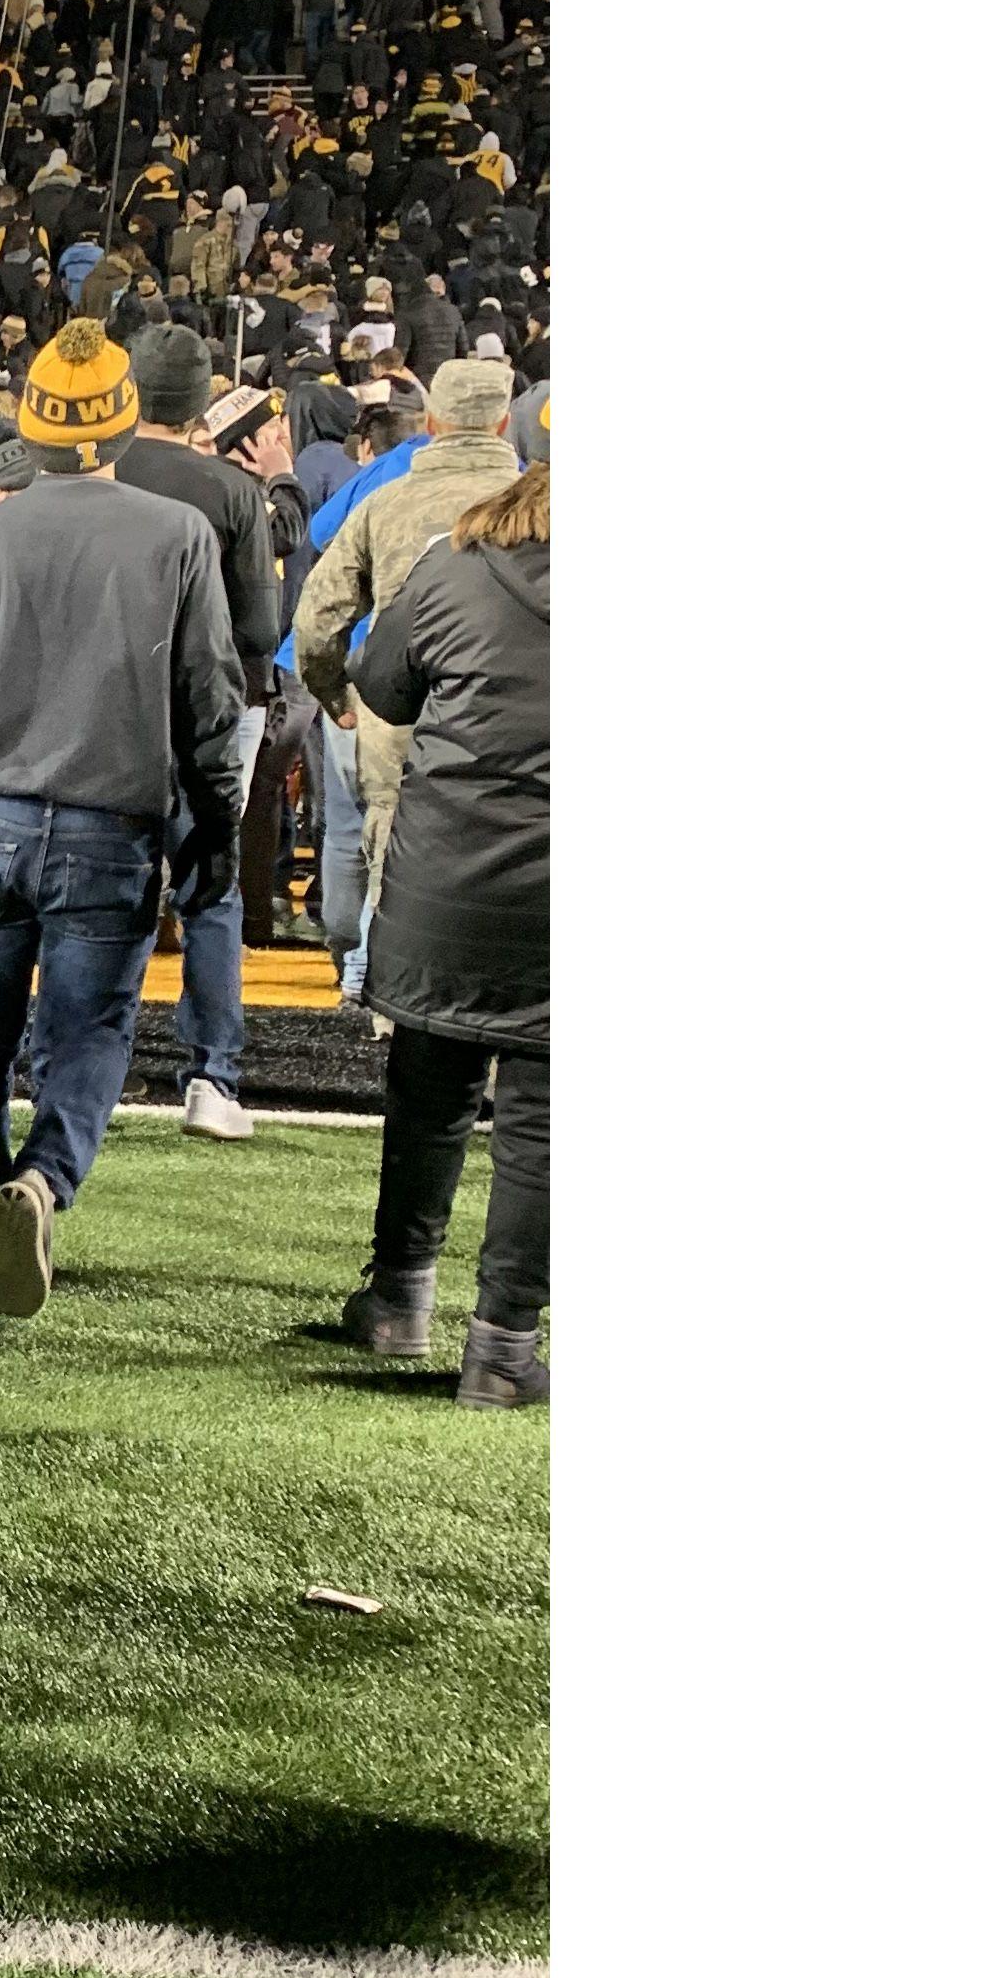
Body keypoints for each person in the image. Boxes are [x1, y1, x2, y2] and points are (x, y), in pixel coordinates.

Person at [0, 324, 243, 1319]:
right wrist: (215, 824)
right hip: (111, 824)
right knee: (90, 1030)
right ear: (123, 422)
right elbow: (210, 699)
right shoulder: (176, 536)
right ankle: (45, 1181)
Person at [337, 464, 551, 1404]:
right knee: (546, 1126)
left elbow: (381, 684)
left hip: (445, 873)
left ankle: (399, 1301)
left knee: (430, 1087)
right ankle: (501, 1352)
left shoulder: (456, 562)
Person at [109, 320, 284, 1138]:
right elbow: (259, 628)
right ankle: (212, 1079)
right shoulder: (233, 492)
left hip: (106, 710)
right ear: (203, 398)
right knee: (210, 897)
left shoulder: (92, 471)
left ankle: (78, 1063)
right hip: (212, 713)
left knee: (104, 892)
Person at [288, 357, 521, 931]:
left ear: (433, 423)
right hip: (516, 719)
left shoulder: (386, 503)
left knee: (388, 853)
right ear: (503, 423)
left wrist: (336, 696)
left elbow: (317, 620)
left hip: (398, 710)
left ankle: (381, 998)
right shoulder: (538, 503)